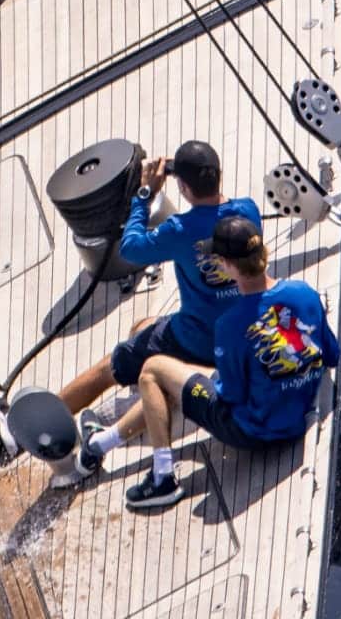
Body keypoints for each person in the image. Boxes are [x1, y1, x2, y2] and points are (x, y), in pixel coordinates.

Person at [73, 214, 341, 511]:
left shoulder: (229, 325)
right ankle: (100, 443)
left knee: (153, 371)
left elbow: (230, 396)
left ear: (226, 266)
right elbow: (332, 354)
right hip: (295, 415)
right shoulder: (304, 293)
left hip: (253, 431)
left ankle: (162, 478)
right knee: (180, 375)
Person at [48, 139, 258, 480]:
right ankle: (156, 396)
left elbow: (131, 247)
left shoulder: (179, 230)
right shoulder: (247, 212)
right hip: (236, 334)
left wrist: (144, 195)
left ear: (184, 186)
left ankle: (40, 430)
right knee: (142, 327)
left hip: (198, 339)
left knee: (111, 366)